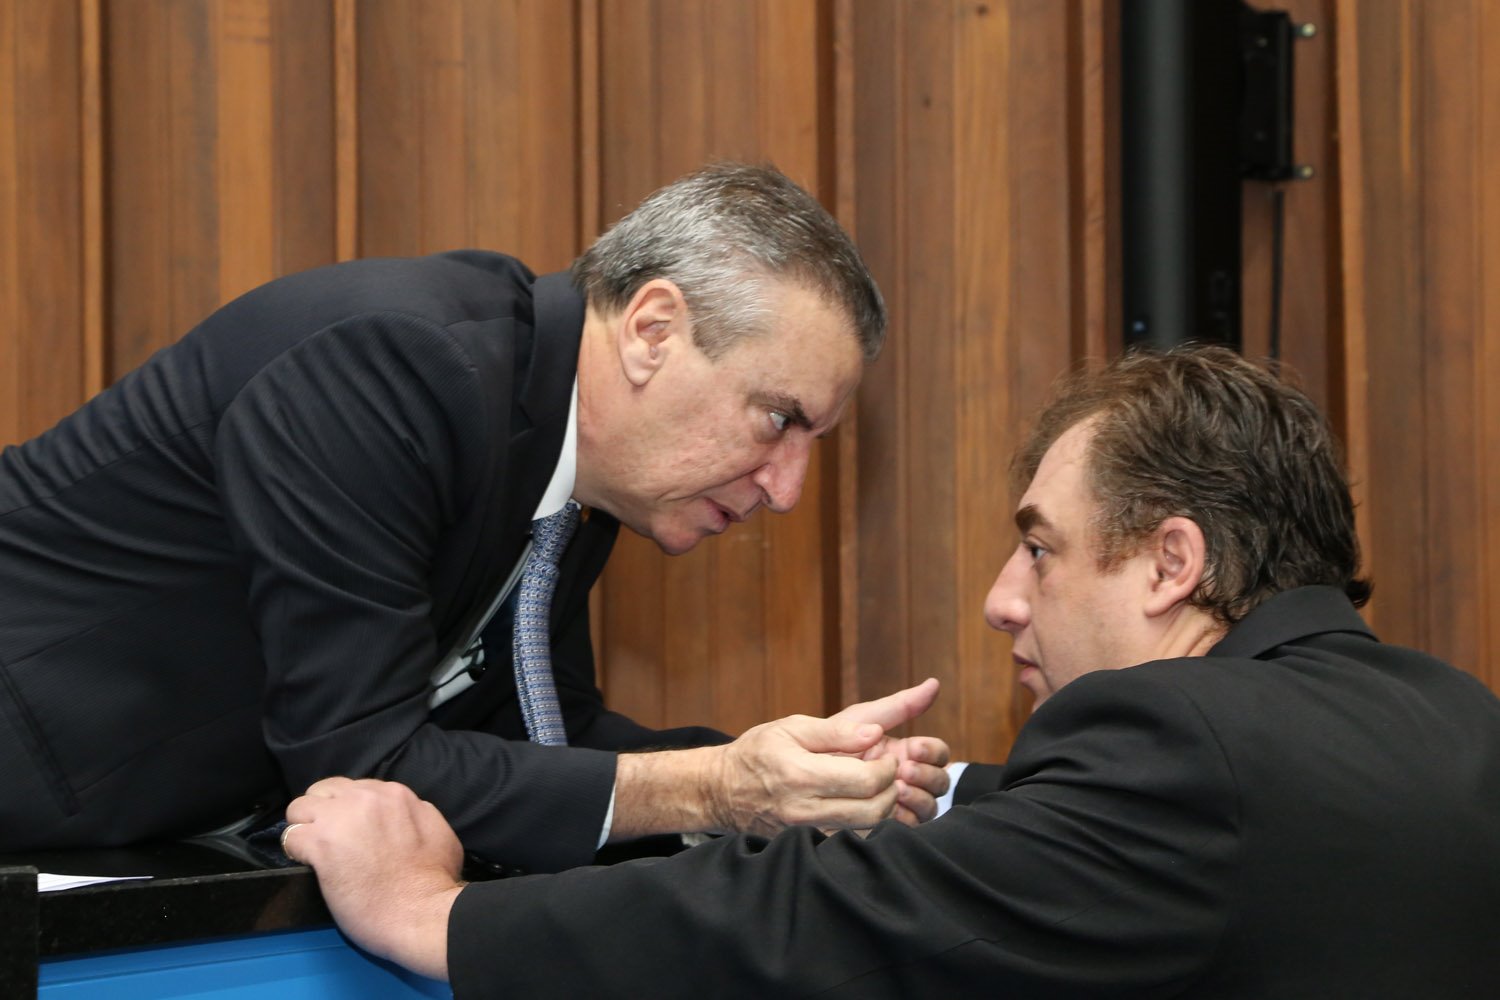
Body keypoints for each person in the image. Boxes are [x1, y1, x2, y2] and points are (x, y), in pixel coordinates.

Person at [285, 346, 1500, 997]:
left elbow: (820, 925)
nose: (1004, 598)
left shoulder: (1181, 745)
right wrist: (927, 792)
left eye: (1041, 548)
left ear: (1171, 563)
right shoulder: (1452, 717)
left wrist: (438, 918)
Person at [0, 162, 952, 870]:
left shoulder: (565, 461)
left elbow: (538, 737)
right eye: (779, 419)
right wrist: (718, 789)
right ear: (653, 331)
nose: (786, 489)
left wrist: (798, 780)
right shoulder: (393, 367)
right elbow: (359, 764)